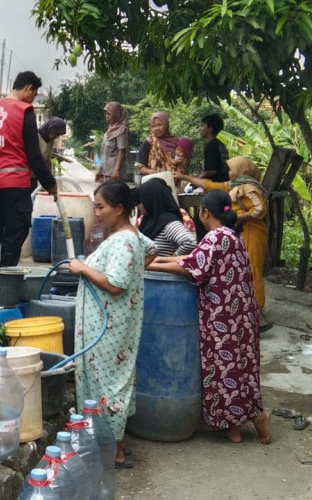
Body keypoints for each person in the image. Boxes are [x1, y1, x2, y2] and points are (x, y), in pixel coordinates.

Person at [147, 190, 271, 444]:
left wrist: (148, 265)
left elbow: (191, 267)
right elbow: (193, 257)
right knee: (240, 365)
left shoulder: (215, 236)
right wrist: (159, 259)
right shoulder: (231, 235)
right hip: (240, 316)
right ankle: (233, 427)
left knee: (223, 367)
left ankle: (258, 418)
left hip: (222, 317)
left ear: (205, 212)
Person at [67, 180, 157, 467]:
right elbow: (151, 250)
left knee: (108, 384)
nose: (96, 212)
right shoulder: (130, 236)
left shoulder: (124, 240)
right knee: (107, 381)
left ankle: (114, 451)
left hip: (110, 328)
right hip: (110, 325)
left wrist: (82, 267)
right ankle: (109, 443)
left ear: (119, 209)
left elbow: (117, 285)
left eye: (101, 206)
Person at [0, 71, 57, 279]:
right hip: (14, 182)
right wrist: (50, 184)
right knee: (15, 230)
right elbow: (33, 154)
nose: (32, 99)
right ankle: (4, 277)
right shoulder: (23, 110)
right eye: (34, 94)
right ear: (29, 88)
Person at [175, 156, 270, 329]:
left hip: (253, 233)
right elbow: (210, 185)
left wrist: (237, 217)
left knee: (253, 270)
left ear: (242, 170)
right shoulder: (234, 185)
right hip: (241, 232)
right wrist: (186, 177)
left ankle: (258, 314)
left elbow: (259, 210)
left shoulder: (249, 188)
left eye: (231, 169)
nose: (229, 173)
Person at [136, 178, 197, 256]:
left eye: (140, 201)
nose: (138, 205)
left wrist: (170, 260)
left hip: (158, 267)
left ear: (150, 200)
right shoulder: (148, 220)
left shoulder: (168, 222)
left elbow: (190, 242)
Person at [96, 102, 130, 182]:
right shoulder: (109, 130)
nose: (107, 117)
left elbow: (122, 151)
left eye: (109, 114)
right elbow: (104, 153)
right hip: (105, 172)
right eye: (106, 114)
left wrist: (116, 170)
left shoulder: (122, 130)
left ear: (116, 114)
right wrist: (100, 170)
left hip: (115, 174)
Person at [199, 114, 229, 181]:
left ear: (210, 129)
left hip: (216, 185)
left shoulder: (210, 147)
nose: (200, 128)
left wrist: (197, 180)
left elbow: (212, 171)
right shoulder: (220, 144)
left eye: (203, 126)